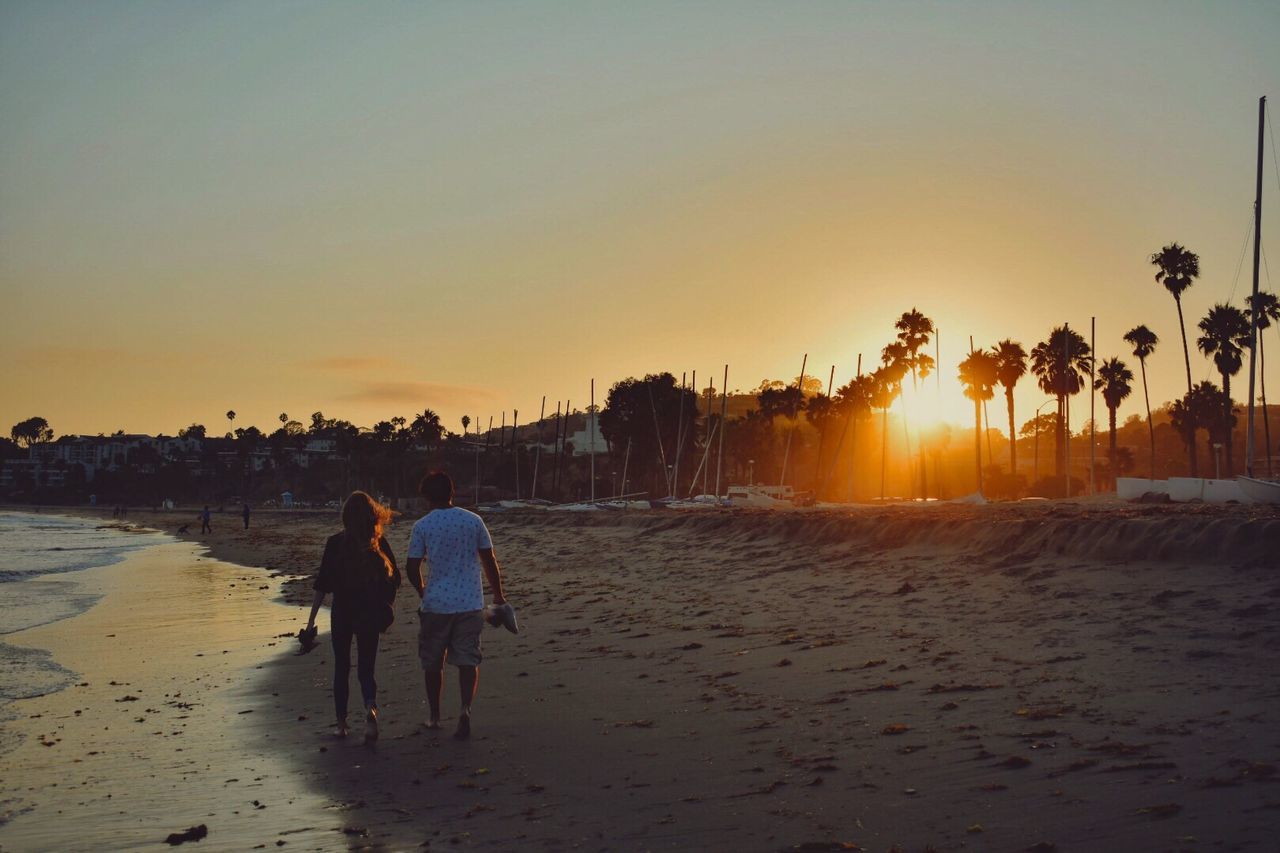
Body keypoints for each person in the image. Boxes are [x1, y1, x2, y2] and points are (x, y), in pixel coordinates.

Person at [406, 470, 507, 740]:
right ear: (453, 492)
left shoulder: (423, 526)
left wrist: (423, 590)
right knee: (467, 659)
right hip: (469, 602)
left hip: (436, 604)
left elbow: (412, 566)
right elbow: (489, 560)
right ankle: (464, 709)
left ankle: (435, 716)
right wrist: (498, 596)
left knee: (432, 662)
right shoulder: (473, 520)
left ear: (426, 497)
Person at [304, 492, 401, 741]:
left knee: (342, 667)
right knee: (366, 669)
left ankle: (341, 724)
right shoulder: (378, 542)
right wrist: (386, 603)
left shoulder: (335, 543)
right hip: (370, 612)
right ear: (373, 515)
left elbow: (322, 585)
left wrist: (311, 620)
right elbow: (395, 579)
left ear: (345, 516)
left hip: (343, 613)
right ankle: (370, 708)